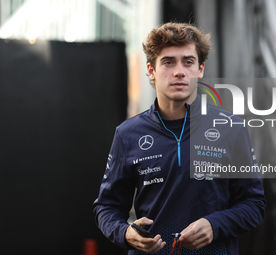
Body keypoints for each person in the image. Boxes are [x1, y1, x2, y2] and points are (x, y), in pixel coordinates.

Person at [93, 22, 266, 255]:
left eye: (188, 61)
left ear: (200, 69)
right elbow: (107, 207)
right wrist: (125, 233)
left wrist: (215, 225)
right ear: (151, 71)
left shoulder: (231, 128)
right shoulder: (127, 134)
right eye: (168, 62)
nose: (179, 71)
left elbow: (254, 204)